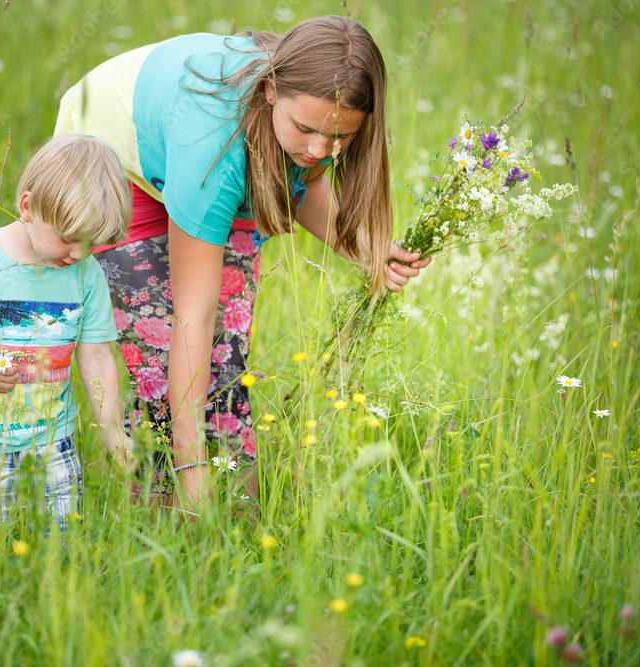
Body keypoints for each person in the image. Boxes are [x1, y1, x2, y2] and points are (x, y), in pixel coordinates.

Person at [54, 16, 430, 506]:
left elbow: (305, 181)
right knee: (162, 346)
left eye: (338, 139)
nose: (319, 151)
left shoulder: (307, 118)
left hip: (214, 151)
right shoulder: (210, 144)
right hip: (115, 160)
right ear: (271, 90)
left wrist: (364, 251)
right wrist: (192, 470)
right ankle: (167, 519)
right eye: (307, 130)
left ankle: (238, 519)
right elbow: (193, 317)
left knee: (224, 356)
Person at [0, 134, 133, 534]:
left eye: (92, 244)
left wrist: (113, 431)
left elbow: (97, 356)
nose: (79, 254)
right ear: (27, 207)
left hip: (54, 440)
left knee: (61, 543)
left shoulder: (85, 275)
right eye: (69, 239)